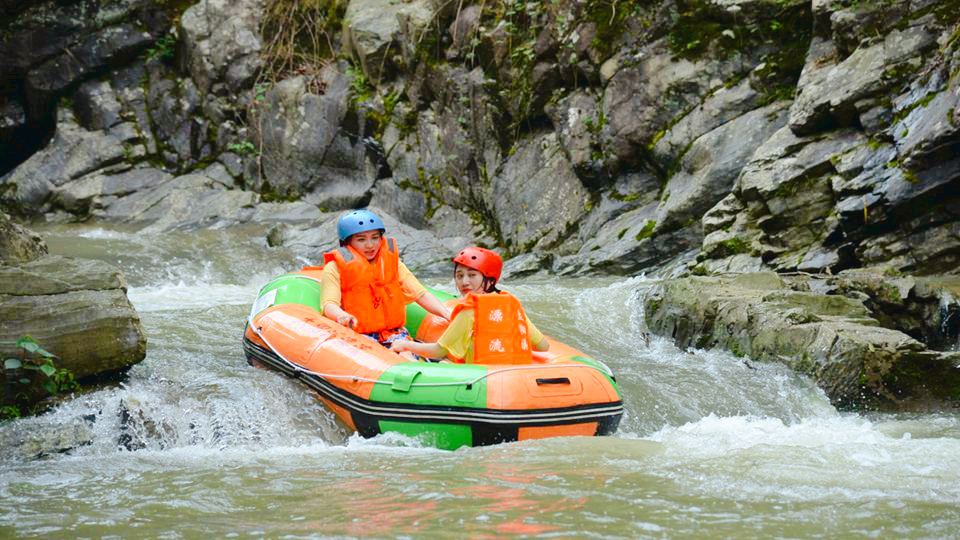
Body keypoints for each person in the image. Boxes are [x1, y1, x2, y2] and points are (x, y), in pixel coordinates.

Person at [390, 247, 549, 363]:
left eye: (472, 275)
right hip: (515, 376)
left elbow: (438, 351)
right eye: (459, 276)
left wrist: (404, 345)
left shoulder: (469, 310)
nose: (464, 282)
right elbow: (543, 346)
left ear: (490, 280)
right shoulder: (511, 304)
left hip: (481, 379)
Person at [321, 209, 451, 348]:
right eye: (361, 239)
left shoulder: (392, 263)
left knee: (406, 355)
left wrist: (446, 313)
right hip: (358, 335)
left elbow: (420, 294)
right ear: (347, 242)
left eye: (375, 237)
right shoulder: (334, 268)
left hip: (393, 332)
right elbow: (329, 304)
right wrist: (341, 315)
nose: (370, 245)